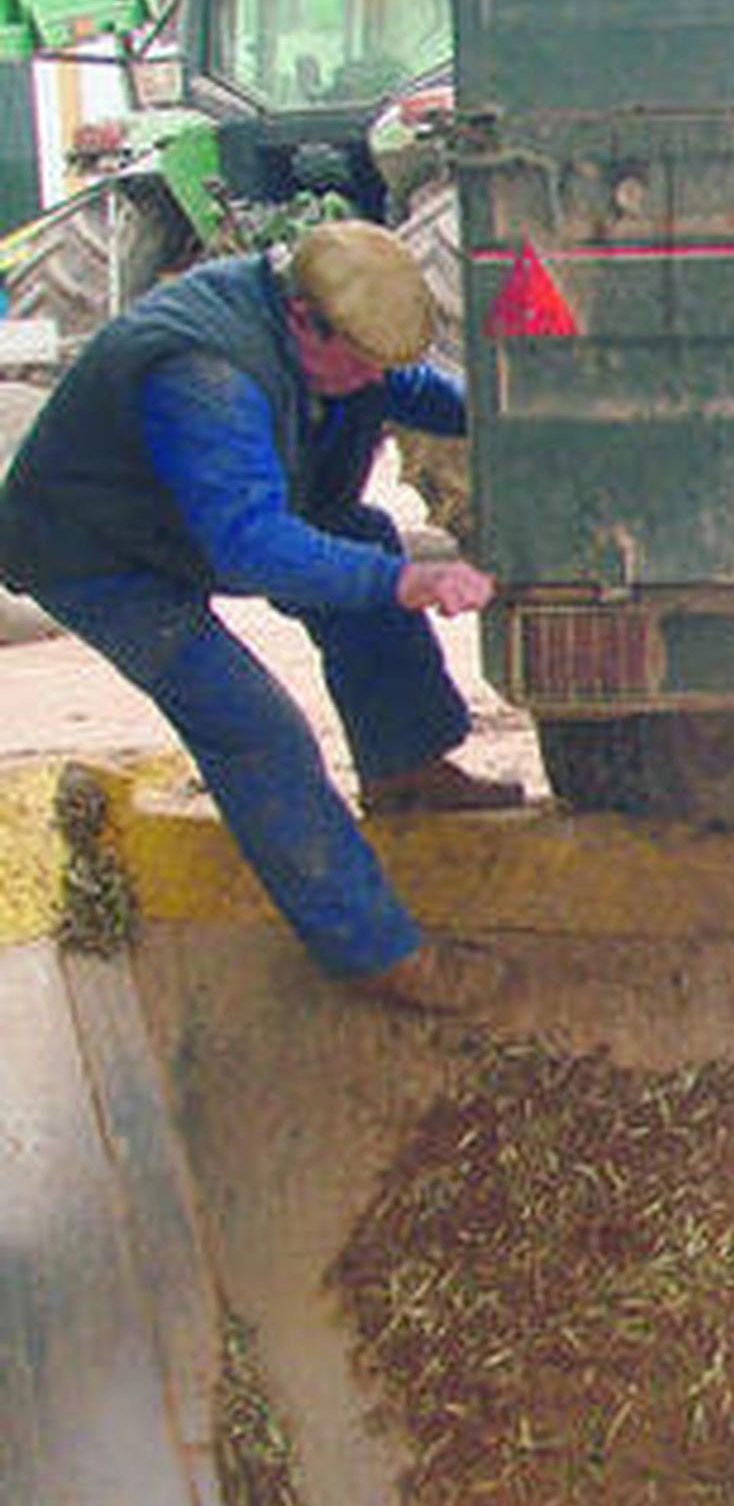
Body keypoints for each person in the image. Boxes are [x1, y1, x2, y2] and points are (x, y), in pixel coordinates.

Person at [0, 219, 521, 1013]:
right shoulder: (204, 373)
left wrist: (518, 412)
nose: (375, 377)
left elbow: (406, 388)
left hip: (180, 520)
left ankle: (405, 767)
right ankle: (376, 956)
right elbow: (251, 546)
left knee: (361, 535)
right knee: (251, 723)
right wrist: (409, 583)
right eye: (363, 362)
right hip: (102, 555)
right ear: (304, 321)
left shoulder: (321, 328)